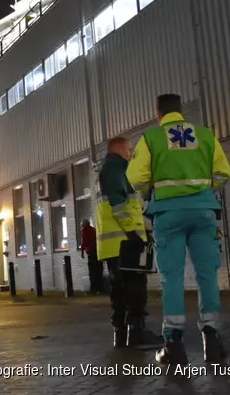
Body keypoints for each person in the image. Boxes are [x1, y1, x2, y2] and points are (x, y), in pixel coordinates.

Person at [127, 94, 230, 365]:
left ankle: (173, 344)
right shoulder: (206, 135)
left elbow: (135, 177)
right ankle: (212, 339)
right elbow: (223, 173)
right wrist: (205, 190)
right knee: (207, 274)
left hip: (168, 214)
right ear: (182, 111)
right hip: (203, 211)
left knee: (171, 277)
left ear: (158, 115)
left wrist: (151, 192)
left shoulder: (151, 139)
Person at [97, 136, 162, 350]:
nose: (131, 153)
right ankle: (136, 332)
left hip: (116, 242)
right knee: (135, 288)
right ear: (118, 149)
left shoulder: (110, 170)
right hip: (124, 241)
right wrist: (134, 233)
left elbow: (129, 205)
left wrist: (143, 228)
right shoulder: (116, 170)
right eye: (129, 149)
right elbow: (120, 205)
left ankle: (122, 334)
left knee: (119, 290)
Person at [79, 219, 104, 294]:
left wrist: (82, 252)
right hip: (98, 252)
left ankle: (93, 289)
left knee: (92, 271)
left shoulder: (85, 231)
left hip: (91, 253)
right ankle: (100, 288)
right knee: (99, 270)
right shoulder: (94, 230)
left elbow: (84, 242)